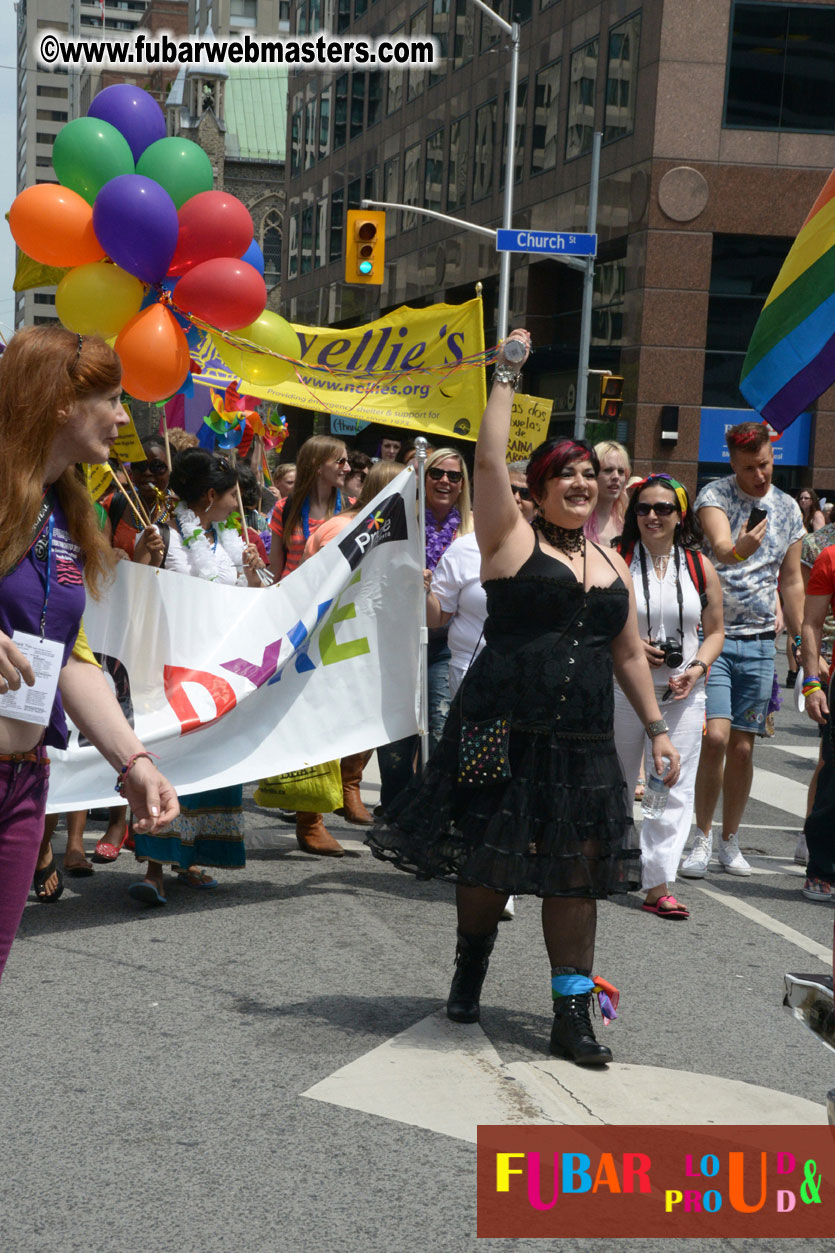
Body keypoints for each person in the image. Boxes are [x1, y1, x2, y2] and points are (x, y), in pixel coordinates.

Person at [367, 331, 680, 1066]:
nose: (578, 484)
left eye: (586, 475)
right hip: (494, 724)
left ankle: (570, 1014)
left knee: (574, 871)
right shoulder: (505, 538)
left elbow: (628, 651)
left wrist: (657, 728)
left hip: (579, 741)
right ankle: (470, 961)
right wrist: (505, 374)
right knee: (485, 859)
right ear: (535, 491)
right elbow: (484, 458)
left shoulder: (612, 562)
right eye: (562, 475)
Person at [0, 327, 179, 977]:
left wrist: (132, 760)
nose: (122, 416)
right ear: (57, 404)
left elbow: (73, 660)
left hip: (23, 783)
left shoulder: (66, 512)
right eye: (109, 397)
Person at [128, 449, 267, 905]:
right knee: (168, 758)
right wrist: (143, 560)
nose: (235, 504)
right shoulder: (164, 534)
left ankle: (193, 859)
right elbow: (137, 594)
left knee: (210, 763)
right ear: (210, 495)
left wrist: (249, 573)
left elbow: (249, 604)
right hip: (168, 672)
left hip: (216, 673)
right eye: (230, 495)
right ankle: (154, 869)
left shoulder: (230, 541)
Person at [681, 422, 805, 878]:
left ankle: (730, 841)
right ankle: (701, 835)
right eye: (750, 467)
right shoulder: (715, 496)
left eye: (766, 464)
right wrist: (738, 550)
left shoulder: (788, 508)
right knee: (714, 738)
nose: (760, 475)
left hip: (758, 642)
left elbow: (791, 580)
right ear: (733, 462)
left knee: (743, 749)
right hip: (713, 637)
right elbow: (719, 547)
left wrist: (797, 642)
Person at [612, 476, 724, 918]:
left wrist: (696, 668)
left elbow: (714, 632)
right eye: (642, 509)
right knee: (617, 780)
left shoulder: (698, 565)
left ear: (680, 516)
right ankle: (614, 864)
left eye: (662, 508)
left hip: (682, 693)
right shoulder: (617, 560)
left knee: (670, 785)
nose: (652, 516)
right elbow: (596, 622)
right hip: (622, 688)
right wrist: (632, 645)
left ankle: (657, 882)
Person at [792, 517, 835, 865]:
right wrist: (811, 682)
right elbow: (811, 622)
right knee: (830, 772)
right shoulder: (828, 555)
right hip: (831, 674)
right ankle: (820, 862)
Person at [268, 437, 349, 582]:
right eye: (341, 461)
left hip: (330, 600)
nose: (348, 468)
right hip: (292, 598)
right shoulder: (285, 508)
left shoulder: (350, 510)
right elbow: (275, 569)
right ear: (317, 465)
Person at [585, 440, 630, 546]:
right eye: (608, 470)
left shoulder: (629, 521)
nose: (616, 477)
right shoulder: (575, 520)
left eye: (621, 471)